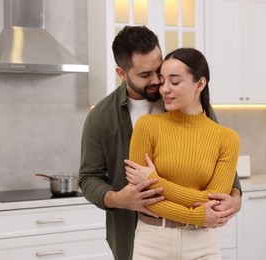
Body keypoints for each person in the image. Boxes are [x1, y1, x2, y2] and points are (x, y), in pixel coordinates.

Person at [79, 25, 242, 260]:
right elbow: (88, 177)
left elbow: (222, 166)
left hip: (198, 236)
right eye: (146, 75)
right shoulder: (102, 116)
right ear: (122, 73)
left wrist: (234, 200)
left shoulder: (190, 103)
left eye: (160, 70)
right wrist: (118, 199)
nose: (158, 82)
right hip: (135, 234)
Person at [125, 47, 240, 259]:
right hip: (152, 242)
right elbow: (140, 195)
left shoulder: (226, 138)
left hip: (203, 244)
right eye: (162, 81)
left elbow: (214, 203)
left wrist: (154, 180)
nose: (164, 89)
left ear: (200, 84)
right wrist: (195, 215)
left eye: (175, 82)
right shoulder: (147, 126)